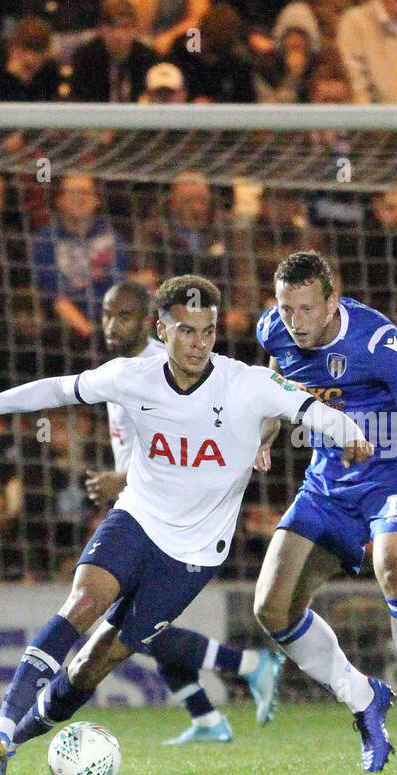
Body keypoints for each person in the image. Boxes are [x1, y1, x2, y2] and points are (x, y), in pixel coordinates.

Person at [0, 275, 375, 775]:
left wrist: (350, 434)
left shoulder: (247, 382)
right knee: (82, 605)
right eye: (186, 331)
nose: (199, 343)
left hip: (195, 554)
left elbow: (311, 410)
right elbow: (54, 390)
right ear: (163, 329)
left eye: (208, 331)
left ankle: (18, 739)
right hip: (136, 520)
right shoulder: (131, 376)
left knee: (92, 665)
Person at [252, 250, 397, 770]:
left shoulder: (379, 342)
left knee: (393, 568)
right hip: (328, 484)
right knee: (272, 609)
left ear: (331, 300)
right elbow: (275, 388)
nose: (294, 322)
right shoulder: (272, 331)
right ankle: (364, 698)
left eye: (305, 309)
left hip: (394, 473)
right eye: (285, 309)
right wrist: (266, 436)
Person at [82, 281, 285, 745]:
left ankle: (248, 666)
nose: (113, 326)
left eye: (125, 316)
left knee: (130, 625)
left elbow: (187, 447)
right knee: (133, 619)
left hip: (174, 519)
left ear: (150, 322)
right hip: (140, 508)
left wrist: (124, 480)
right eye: (107, 314)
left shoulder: (169, 365)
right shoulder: (125, 369)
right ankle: (207, 715)